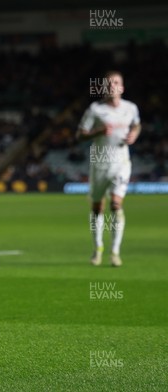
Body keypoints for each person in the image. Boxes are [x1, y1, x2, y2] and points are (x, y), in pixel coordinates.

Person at [77, 71, 141, 267]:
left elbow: (137, 125)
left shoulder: (130, 108)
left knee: (116, 204)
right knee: (97, 208)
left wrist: (134, 136)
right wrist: (98, 131)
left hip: (121, 163)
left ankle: (115, 251)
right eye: (108, 83)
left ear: (121, 87)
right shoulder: (95, 110)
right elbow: (80, 135)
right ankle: (98, 249)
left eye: (116, 82)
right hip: (100, 163)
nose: (112, 85)